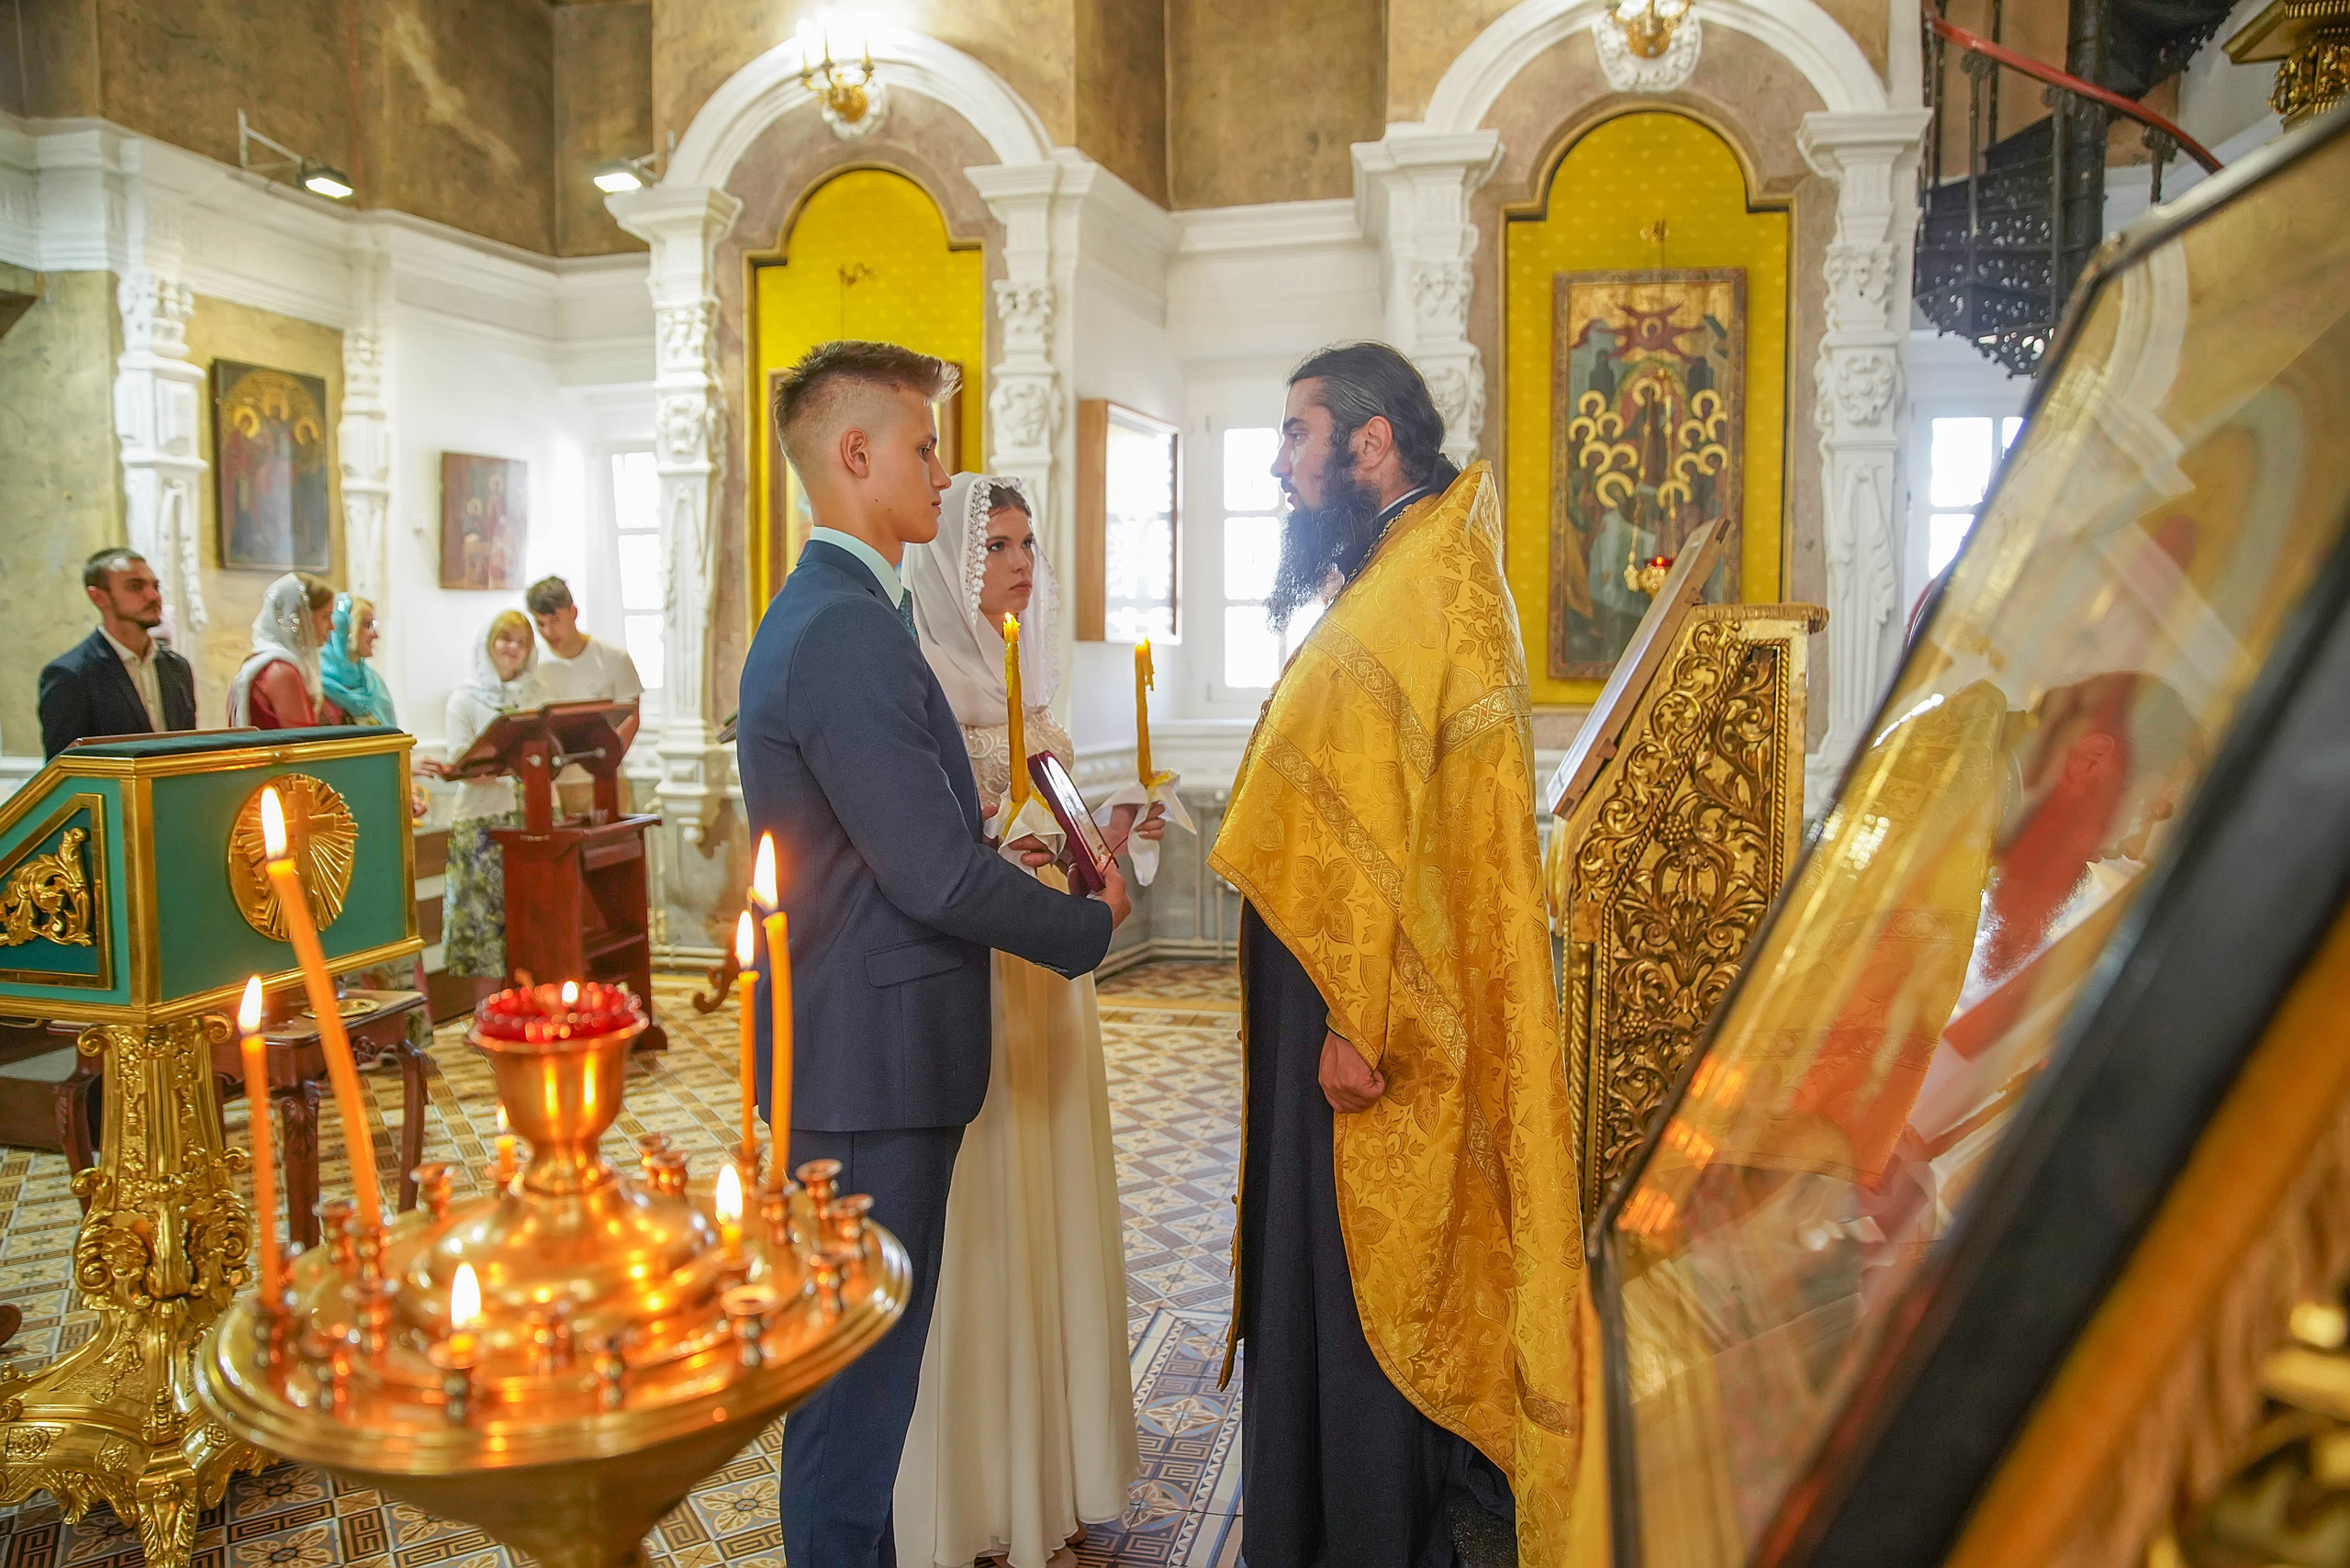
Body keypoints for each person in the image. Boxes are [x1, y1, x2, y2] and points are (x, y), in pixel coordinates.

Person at [736, 341, 1130, 1568]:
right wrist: (1089, 925)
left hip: (860, 1047)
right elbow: (925, 874)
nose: (940, 467)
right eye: (921, 445)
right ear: (853, 455)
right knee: (852, 1413)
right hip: (867, 1066)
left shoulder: (844, 613)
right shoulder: (844, 631)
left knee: (858, 1398)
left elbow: (895, 848)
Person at [1208, 343, 1592, 1568]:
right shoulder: (1396, 565)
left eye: (1295, 434)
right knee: (1316, 1268)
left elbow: (1417, 831)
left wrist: (1357, 1021)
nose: (1279, 463)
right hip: (1322, 984)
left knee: (1361, 1275)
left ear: (1370, 444)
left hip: (1361, 1014)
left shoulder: (1435, 578)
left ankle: (1371, 1533)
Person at [896, 473, 1163, 1568]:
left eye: (1025, 543)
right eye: (993, 546)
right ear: (949, 571)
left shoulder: (1032, 692)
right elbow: (943, 863)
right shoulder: (917, 687)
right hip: (981, 991)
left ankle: (1046, 1473)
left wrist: (1106, 836)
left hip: (1053, 990)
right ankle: (977, 1490)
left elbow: (1057, 845)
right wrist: (1021, 867)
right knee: (987, 1217)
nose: (1017, 563)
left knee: (1049, 1205)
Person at [439, 611, 541, 983]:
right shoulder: (464, 698)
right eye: (505, 639)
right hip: (482, 822)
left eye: (521, 641)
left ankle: (532, 1009)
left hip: (532, 814)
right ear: (488, 643)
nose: (513, 648)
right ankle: (487, 1015)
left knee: (531, 920)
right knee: (483, 925)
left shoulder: (538, 694)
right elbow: (459, 760)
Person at [39, 548, 196, 757]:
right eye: (135, 587)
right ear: (99, 597)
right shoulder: (71, 674)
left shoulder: (176, 667)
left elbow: (189, 747)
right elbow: (64, 771)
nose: (153, 596)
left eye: (155, 586)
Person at [526, 575, 643, 747]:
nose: (548, 631)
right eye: (540, 624)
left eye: (555, 620)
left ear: (573, 612)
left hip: (602, 763)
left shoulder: (614, 658)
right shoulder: (530, 664)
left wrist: (609, 759)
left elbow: (632, 717)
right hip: (551, 767)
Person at [229, 572, 341, 729]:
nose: (332, 626)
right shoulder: (281, 671)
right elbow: (302, 740)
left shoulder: (272, 663)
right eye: (325, 617)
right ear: (301, 618)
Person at [319, 593, 397, 728]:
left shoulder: (373, 683)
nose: (376, 635)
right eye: (367, 625)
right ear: (344, 628)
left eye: (374, 625)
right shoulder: (319, 686)